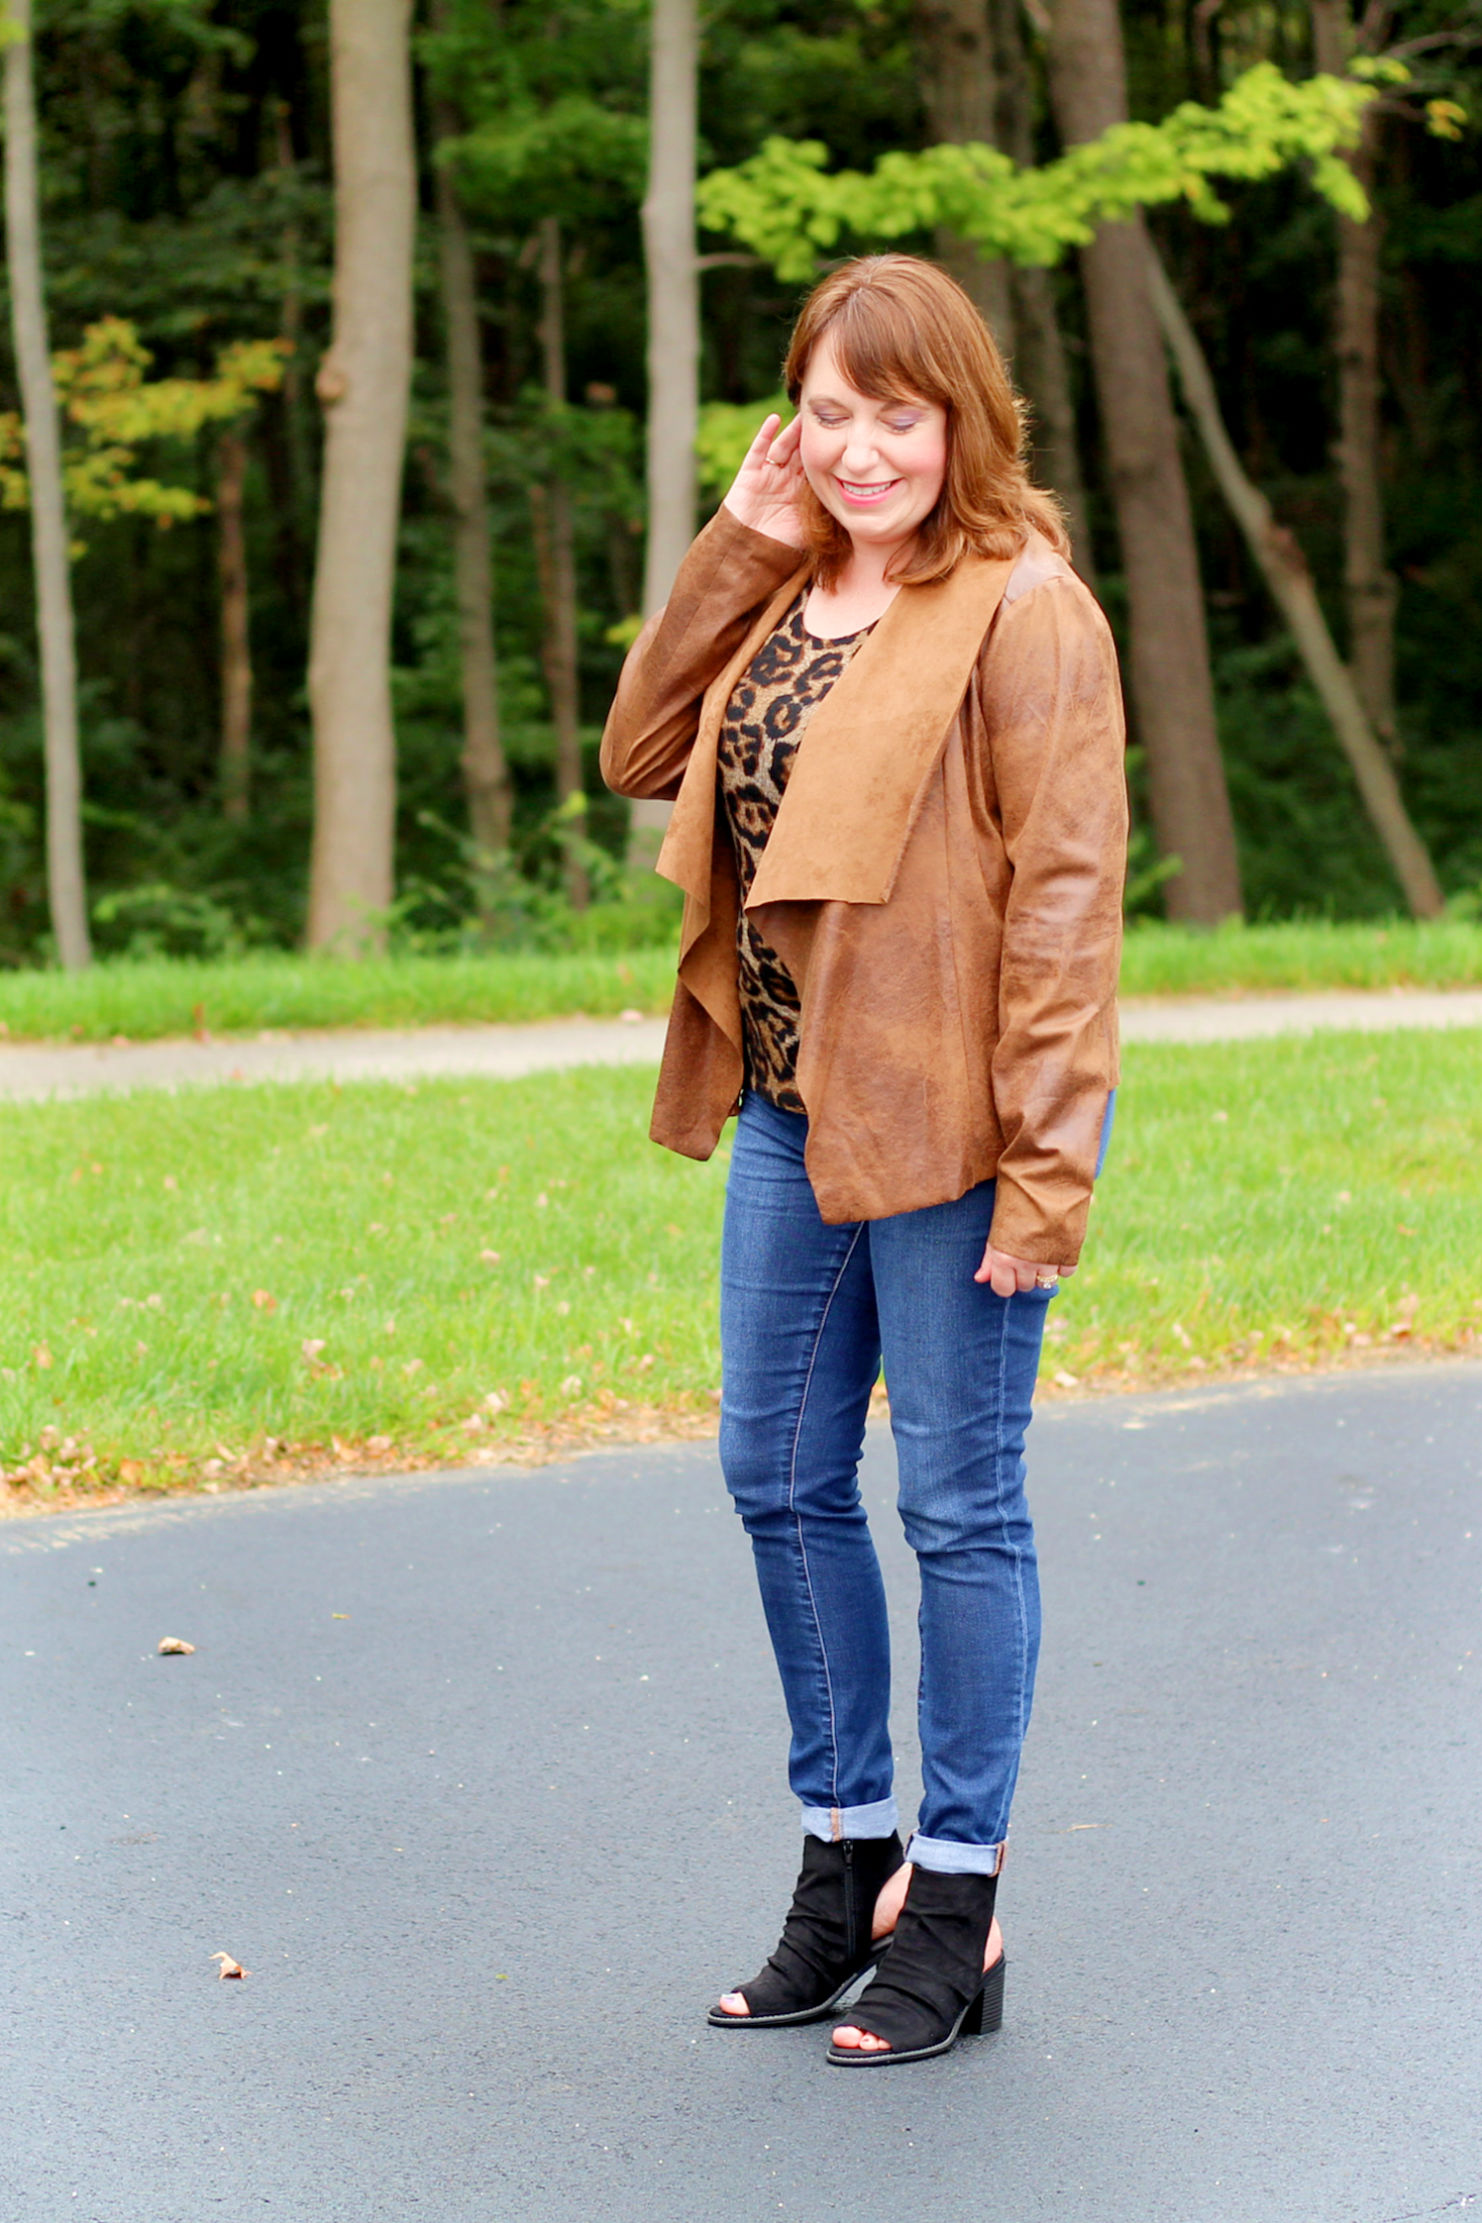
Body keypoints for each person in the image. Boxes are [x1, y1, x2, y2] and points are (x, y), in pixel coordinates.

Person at [600, 254, 1126, 2067]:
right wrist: (739, 542)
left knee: (957, 1507)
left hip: (963, 1122)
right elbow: (637, 749)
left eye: (893, 415)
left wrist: (1048, 1175)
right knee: (776, 1475)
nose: (857, 448)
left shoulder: (1022, 606)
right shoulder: (786, 586)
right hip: (790, 1103)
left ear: (959, 417)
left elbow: (1064, 910)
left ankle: (959, 1906)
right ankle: (847, 1862)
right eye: (826, 412)